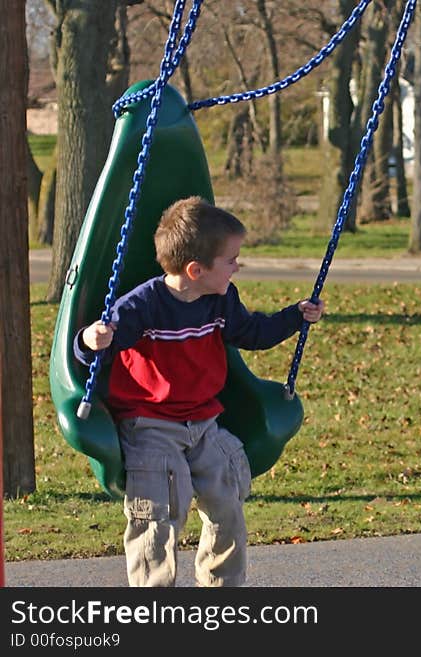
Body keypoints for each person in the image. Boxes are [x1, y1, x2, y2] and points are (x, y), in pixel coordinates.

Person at [74, 196, 325, 587]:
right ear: (196, 269)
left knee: (228, 506)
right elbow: (97, 352)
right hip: (150, 428)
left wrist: (295, 316)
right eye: (231, 259)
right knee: (158, 518)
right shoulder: (142, 306)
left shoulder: (221, 299)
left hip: (204, 424)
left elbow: (252, 333)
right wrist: (90, 340)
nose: (237, 265)